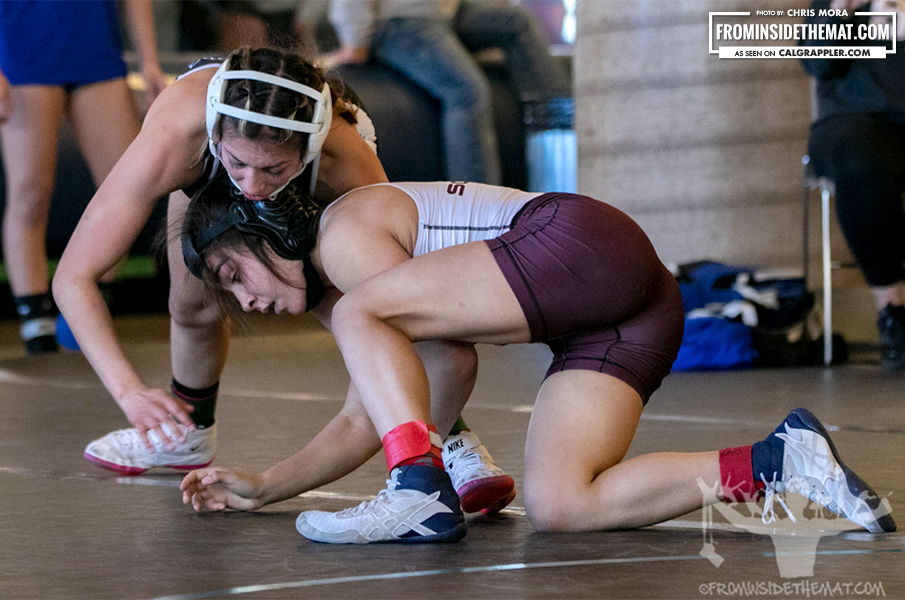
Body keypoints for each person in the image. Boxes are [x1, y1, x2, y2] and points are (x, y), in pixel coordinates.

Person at [177, 178, 897, 543]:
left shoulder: (342, 234)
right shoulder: (356, 303)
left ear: (267, 230)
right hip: (625, 309)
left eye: (235, 273)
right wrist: (265, 487)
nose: (248, 299)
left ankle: (419, 489)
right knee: (561, 503)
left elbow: (447, 365)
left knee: (371, 321)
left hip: (580, 242)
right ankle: (781, 462)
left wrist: (418, 469)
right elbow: (375, 408)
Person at [51, 46, 516, 515]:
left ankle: (451, 438)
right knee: (193, 304)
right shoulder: (177, 135)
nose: (251, 186)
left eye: (272, 168)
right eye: (239, 164)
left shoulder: (341, 156)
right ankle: (185, 434)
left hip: (311, 191)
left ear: (309, 147)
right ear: (215, 131)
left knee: (355, 305)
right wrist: (129, 391)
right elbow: (74, 276)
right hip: (203, 165)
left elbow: (402, 299)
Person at [0, 0, 166, 355]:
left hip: (96, 51)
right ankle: (36, 320)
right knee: (31, 194)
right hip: (25, 52)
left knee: (130, 188)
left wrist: (149, 60)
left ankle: (84, 306)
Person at [325, 0, 570, 185]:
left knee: (516, 22)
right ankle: (476, 202)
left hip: (444, 14)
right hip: (401, 21)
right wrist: (354, 42)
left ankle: (565, 125)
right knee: (466, 93)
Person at [800, 0, 905, 371]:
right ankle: (893, 311)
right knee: (861, 160)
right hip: (854, 123)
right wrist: (841, 9)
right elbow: (816, 60)